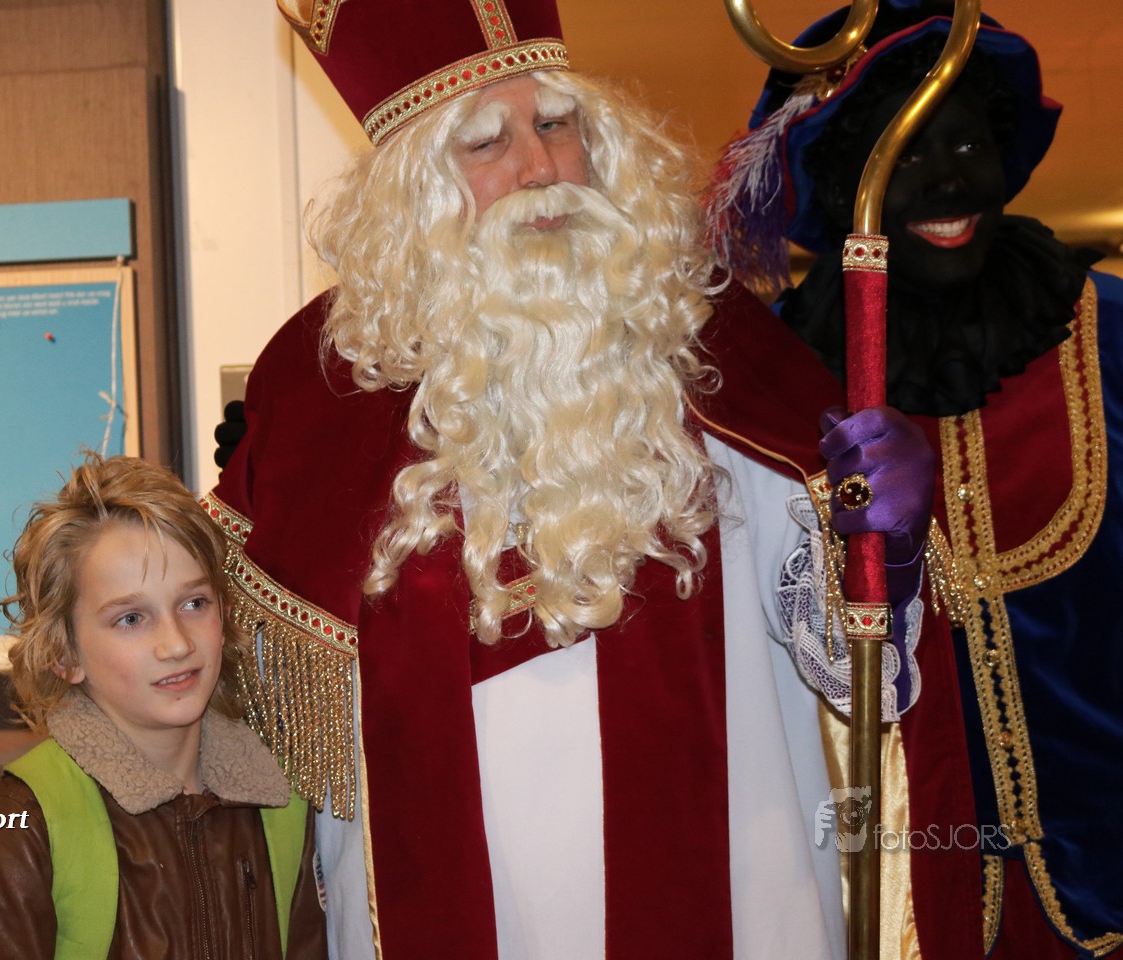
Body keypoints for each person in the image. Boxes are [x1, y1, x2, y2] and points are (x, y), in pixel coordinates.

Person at [209, 2, 944, 957]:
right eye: (487, 142)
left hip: (736, 898)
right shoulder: (323, 386)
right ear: (412, 194)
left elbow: (854, 671)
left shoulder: (711, 339)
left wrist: (885, 546)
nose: (540, 169)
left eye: (557, 124)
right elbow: (246, 705)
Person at [710, 2, 1123, 956]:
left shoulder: (1111, 336)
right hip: (894, 898)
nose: (947, 180)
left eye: (969, 143)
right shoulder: (776, 384)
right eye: (902, 156)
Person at [0, 454, 326, 959]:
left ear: (225, 615)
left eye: (194, 604)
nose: (176, 644)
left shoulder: (282, 802)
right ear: (64, 654)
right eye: (131, 618)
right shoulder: (24, 824)